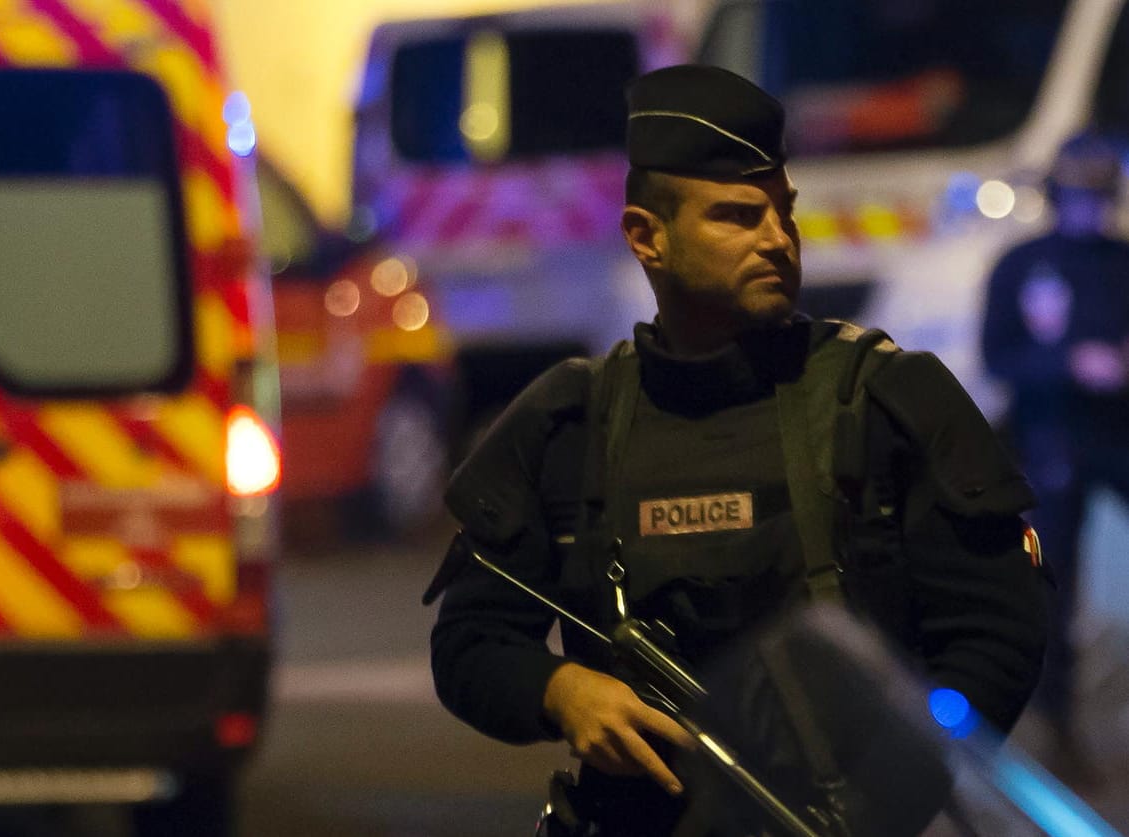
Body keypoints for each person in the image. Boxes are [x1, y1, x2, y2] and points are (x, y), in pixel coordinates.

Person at [424, 65, 1050, 836]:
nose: (778, 240)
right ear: (646, 237)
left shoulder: (886, 400)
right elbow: (469, 643)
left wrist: (890, 789)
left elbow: (998, 633)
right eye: (736, 217)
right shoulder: (568, 424)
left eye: (782, 213)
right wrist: (561, 691)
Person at [980, 129, 1129, 763]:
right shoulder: (1022, 264)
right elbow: (997, 356)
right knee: (1053, 584)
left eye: (1099, 196)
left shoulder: (1122, 261)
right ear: (1056, 195)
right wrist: (1071, 363)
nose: (1088, 208)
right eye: (1077, 195)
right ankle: (1057, 730)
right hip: (1053, 438)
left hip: (1120, 434)